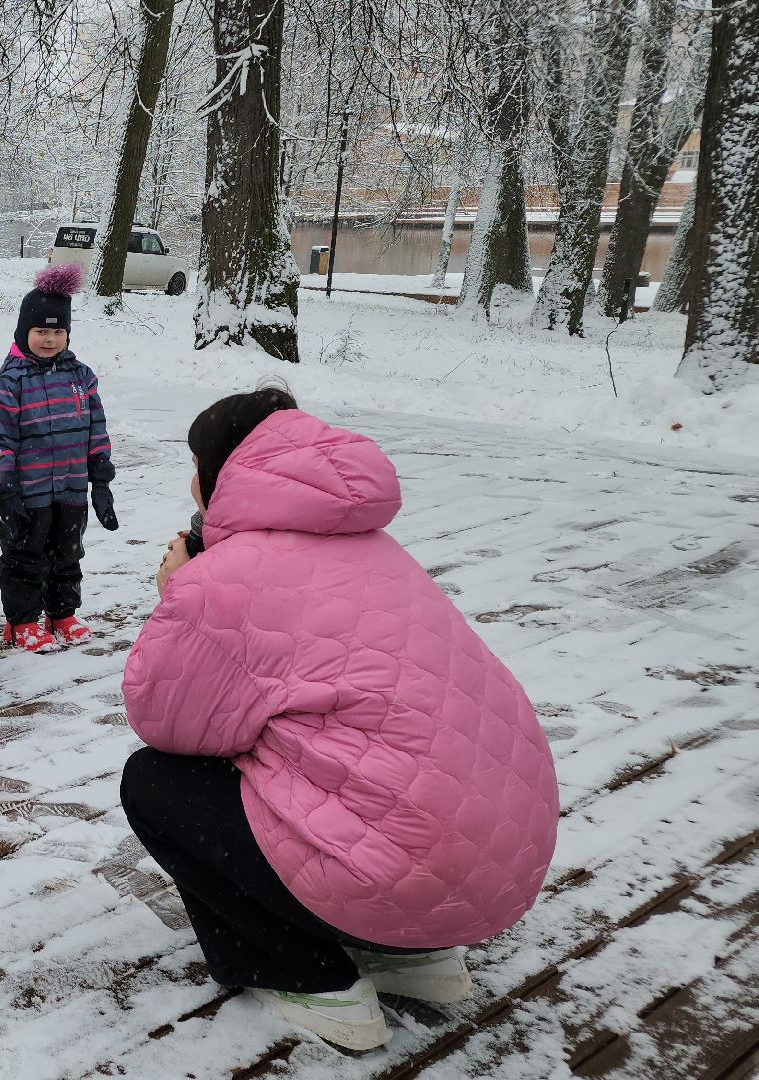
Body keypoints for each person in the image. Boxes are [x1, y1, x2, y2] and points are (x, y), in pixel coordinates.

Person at [119, 386, 559, 1051]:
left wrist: (178, 594)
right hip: (502, 861)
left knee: (154, 782)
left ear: (223, 470)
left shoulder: (226, 579)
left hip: (407, 873)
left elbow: (164, 720)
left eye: (195, 461)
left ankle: (308, 976)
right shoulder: (376, 547)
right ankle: (413, 956)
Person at [0, 263, 118, 654]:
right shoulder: (9, 384)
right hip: (29, 491)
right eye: (41, 330)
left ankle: (62, 613)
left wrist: (101, 479)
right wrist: (6, 490)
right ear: (24, 332)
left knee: (68, 553)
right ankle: (21, 621)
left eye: (58, 331)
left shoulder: (82, 377)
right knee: (25, 557)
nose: (49, 338)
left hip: (72, 487)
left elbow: (97, 428)